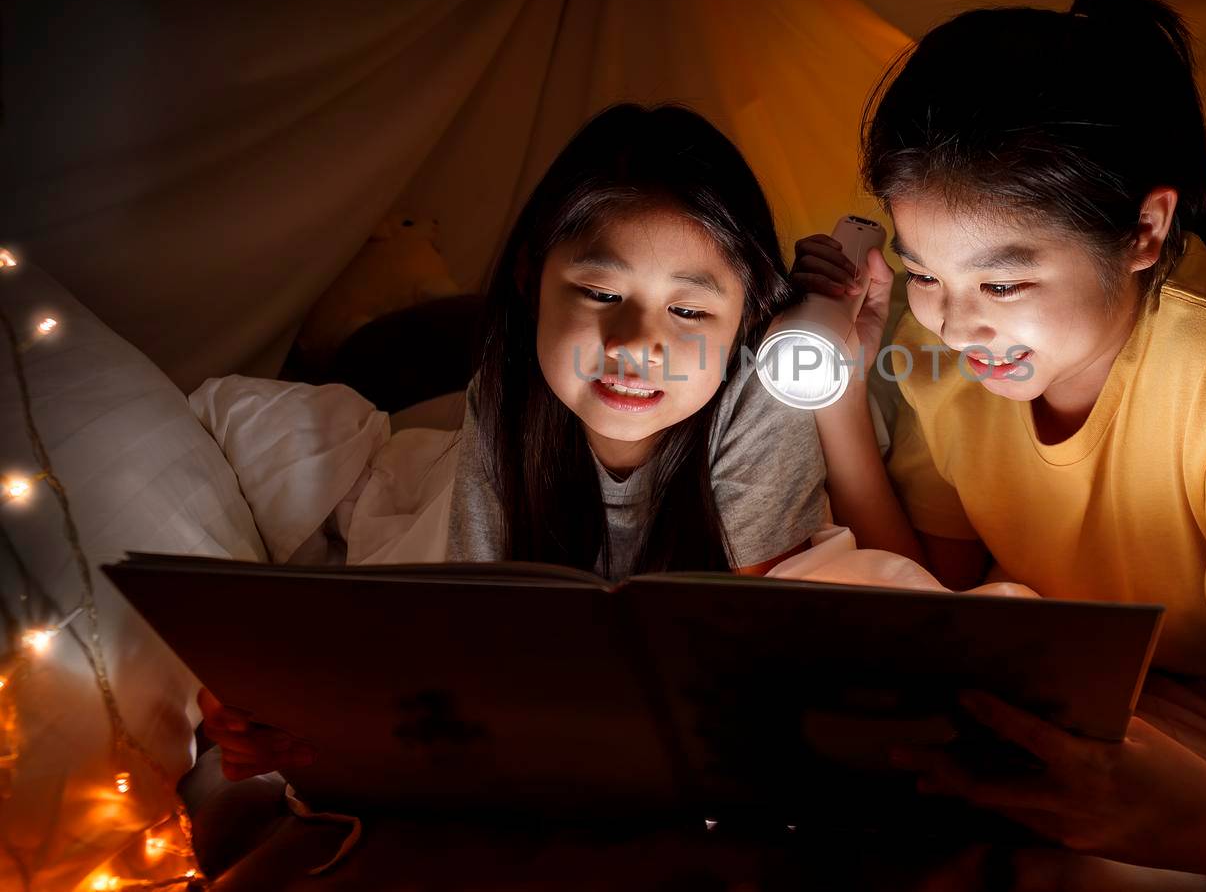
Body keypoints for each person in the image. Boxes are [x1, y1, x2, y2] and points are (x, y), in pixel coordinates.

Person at [791, 0, 1206, 872]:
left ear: (1146, 229)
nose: (958, 325)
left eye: (1002, 283)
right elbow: (931, 584)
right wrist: (839, 397)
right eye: (924, 271)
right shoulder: (943, 345)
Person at [202, 102, 829, 779]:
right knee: (379, 383)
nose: (636, 345)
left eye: (688, 309)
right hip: (459, 409)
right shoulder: (503, 391)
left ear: (749, 315)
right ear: (533, 278)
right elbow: (476, 632)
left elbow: (737, 669)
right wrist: (310, 726)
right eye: (598, 290)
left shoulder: (763, 392)